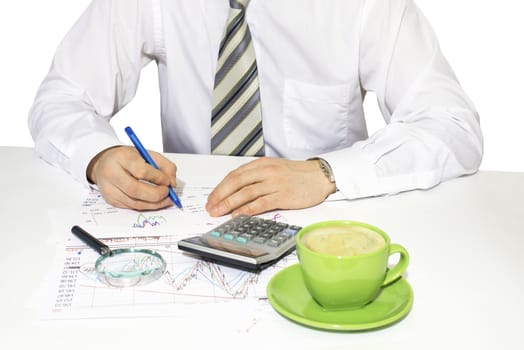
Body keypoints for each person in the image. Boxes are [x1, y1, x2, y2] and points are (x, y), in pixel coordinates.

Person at [28, 0, 483, 217]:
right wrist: (98, 157)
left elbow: (451, 124)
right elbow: (62, 97)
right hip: (189, 219)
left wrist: (327, 173)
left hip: (325, 221)